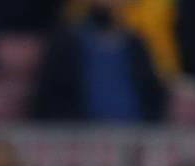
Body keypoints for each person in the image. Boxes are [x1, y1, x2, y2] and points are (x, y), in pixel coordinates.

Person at [30, 0, 169, 123]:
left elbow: (152, 95)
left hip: (134, 135)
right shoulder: (67, 43)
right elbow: (50, 101)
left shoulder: (135, 44)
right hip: (80, 139)